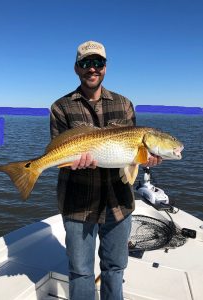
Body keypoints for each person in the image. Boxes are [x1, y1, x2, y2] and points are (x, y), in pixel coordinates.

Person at [50, 41, 162, 300]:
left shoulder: (124, 104)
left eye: (98, 62)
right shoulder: (61, 107)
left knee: (114, 267)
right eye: (86, 63)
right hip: (78, 203)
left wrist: (144, 159)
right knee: (80, 271)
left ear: (105, 67)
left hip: (118, 202)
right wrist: (71, 162)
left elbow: (131, 156)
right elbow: (58, 153)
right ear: (77, 68)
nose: (93, 68)